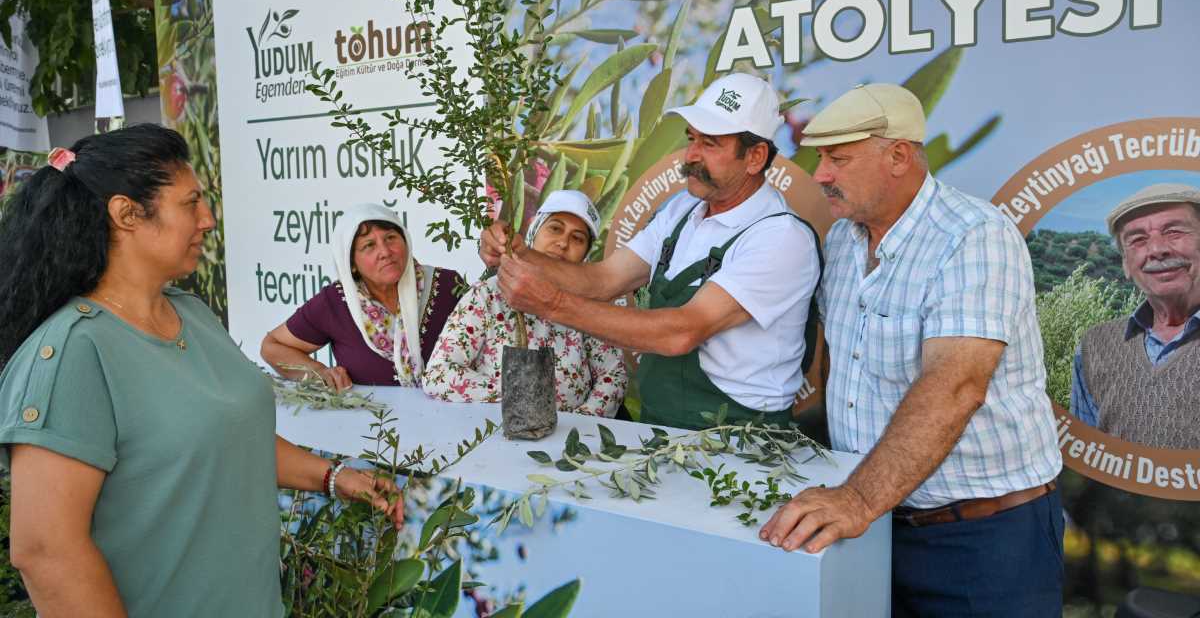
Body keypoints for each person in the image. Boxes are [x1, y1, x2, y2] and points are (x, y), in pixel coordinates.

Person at [0, 125, 403, 618]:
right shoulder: (72, 353)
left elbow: (227, 434)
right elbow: (45, 552)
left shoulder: (192, 314)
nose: (208, 219)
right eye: (191, 203)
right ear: (127, 214)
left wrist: (334, 476)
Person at [758, 84, 1063, 616]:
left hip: (981, 540)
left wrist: (857, 499)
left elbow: (955, 385)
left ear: (898, 156)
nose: (821, 174)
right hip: (876, 525)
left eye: (838, 159)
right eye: (820, 158)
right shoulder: (844, 240)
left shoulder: (973, 235)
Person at [479, 73, 822, 430]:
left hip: (737, 439)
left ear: (755, 157)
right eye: (692, 138)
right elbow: (603, 280)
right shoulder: (682, 210)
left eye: (709, 144)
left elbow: (681, 332)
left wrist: (551, 304)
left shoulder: (781, 238)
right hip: (661, 426)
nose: (690, 155)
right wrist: (518, 252)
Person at [423, 190, 627, 417]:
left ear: (586, 253)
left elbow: (612, 377)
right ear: (534, 230)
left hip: (572, 431)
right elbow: (439, 374)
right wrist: (522, 396)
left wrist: (579, 425)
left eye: (577, 238)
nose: (563, 243)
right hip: (499, 428)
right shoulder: (488, 295)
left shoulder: (589, 304)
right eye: (555, 228)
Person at [262, 202, 465, 390]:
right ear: (351, 263)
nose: (385, 252)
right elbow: (272, 346)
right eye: (369, 245)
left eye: (390, 238)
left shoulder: (447, 286)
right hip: (370, 417)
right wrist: (319, 372)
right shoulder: (335, 302)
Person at [1070, 183, 1200, 448]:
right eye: (1138, 240)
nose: (1157, 250)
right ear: (1126, 265)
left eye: (1174, 232)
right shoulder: (1095, 345)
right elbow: (1087, 454)